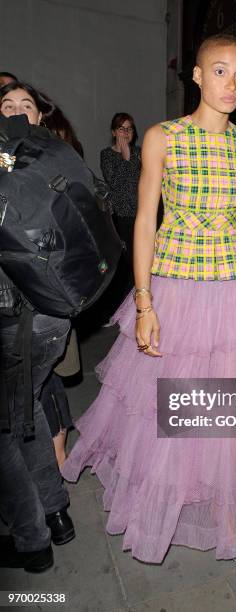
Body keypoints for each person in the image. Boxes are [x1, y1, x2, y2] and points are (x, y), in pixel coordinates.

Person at [62, 34, 236, 566]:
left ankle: (230, 520)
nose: (232, 84)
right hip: (178, 284)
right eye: (221, 71)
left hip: (234, 288)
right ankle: (159, 507)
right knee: (170, 407)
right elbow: (143, 223)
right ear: (198, 77)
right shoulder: (163, 137)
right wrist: (143, 303)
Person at [0, 86, 75, 573]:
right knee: (25, 412)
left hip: (17, 319)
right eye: (3, 107)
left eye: (20, 106)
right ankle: (57, 511)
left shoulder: (13, 164)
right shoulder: (61, 159)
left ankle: (32, 542)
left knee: (3, 430)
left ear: (39, 116)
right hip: (55, 316)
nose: (11, 113)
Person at [100, 112, 141, 297]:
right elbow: (114, 182)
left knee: (141, 261)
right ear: (114, 132)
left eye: (130, 128)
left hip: (141, 214)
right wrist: (125, 158)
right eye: (122, 128)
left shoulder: (140, 153)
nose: (126, 132)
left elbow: (144, 180)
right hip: (121, 216)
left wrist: (130, 156)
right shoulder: (107, 154)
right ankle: (120, 307)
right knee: (125, 264)